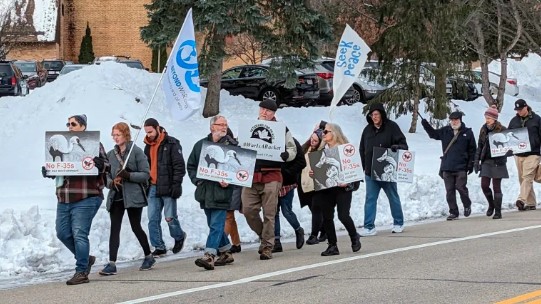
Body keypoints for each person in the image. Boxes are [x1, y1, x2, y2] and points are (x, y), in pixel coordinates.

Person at [41, 114, 108, 285]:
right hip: (64, 196)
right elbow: (60, 166)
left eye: (73, 124)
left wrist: (101, 164)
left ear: (83, 127)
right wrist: (50, 170)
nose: (69, 126)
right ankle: (86, 258)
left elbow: (108, 165)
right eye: (68, 124)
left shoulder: (93, 144)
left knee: (79, 233)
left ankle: (81, 271)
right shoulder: (59, 143)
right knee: (62, 233)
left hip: (86, 195)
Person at [242, 99, 297, 260]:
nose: (264, 113)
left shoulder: (281, 129)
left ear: (274, 113)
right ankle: (264, 236)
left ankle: (267, 246)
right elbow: (240, 144)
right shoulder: (249, 127)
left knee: (269, 213)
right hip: (252, 175)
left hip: (272, 174)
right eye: (262, 109)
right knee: (248, 210)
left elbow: (292, 148)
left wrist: (287, 155)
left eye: (268, 111)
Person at [99, 122, 155, 275]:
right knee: (114, 228)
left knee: (135, 226)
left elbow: (145, 174)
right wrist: (112, 182)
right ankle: (112, 263)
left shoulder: (136, 152)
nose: (115, 138)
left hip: (133, 195)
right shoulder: (111, 154)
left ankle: (148, 255)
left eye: (118, 135)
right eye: (113, 135)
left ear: (126, 134)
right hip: (117, 195)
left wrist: (129, 175)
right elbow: (106, 175)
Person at [187, 115, 236, 270]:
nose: (224, 127)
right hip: (205, 192)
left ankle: (209, 256)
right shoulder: (200, 145)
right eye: (221, 124)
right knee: (213, 224)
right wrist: (198, 181)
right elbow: (191, 166)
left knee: (216, 224)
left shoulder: (232, 147)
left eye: (226, 125)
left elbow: (240, 170)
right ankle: (226, 251)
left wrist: (229, 180)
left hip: (222, 194)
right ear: (212, 127)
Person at [310, 123, 361, 256]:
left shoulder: (345, 150)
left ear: (335, 133)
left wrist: (348, 182)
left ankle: (354, 236)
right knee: (327, 216)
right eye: (323, 131)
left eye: (326, 131)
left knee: (343, 215)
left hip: (342, 188)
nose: (323, 134)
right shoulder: (321, 152)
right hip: (326, 187)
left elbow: (355, 171)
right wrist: (314, 173)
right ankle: (332, 245)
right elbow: (319, 169)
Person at [360, 103, 408, 236]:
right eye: (372, 115)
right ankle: (369, 226)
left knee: (393, 197)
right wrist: (364, 166)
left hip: (387, 171)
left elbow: (404, 145)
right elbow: (362, 149)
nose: (374, 117)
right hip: (371, 171)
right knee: (370, 198)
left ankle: (398, 223)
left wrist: (396, 147)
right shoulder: (367, 130)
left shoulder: (392, 127)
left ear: (382, 114)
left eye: (376, 114)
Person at [143, 118, 187, 257]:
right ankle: (159, 246)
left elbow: (179, 166)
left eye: (150, 131)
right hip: (153, 187)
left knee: (170, 218)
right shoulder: (147, 146)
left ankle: (179, 236)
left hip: (168, 186)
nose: (148, 134)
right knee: (152, 219)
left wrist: (176, 185)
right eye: (146, 132)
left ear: (157, 128)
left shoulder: (172, 143)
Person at [421, 111, 476, 221]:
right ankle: (453, 212)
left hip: (461, 166)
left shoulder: (467, 133)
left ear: (460, 120)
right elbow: (433, 134)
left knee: (461, 188)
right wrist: (425, 124)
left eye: (456, 120)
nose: (454, 122)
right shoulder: (445, 131)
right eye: (452, 120)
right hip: (447, 166)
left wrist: (470, 165)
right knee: (449, 191)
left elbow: (472, 150)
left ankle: (467, 204)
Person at [474, 106, 512, 220]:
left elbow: (510, 146)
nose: (487, 120)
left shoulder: (502, 129)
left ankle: (498, 211)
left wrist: (506, 153)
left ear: (495, 119)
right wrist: (477, 161)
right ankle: (491, 204)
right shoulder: (483, 129)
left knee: (496, 186)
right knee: (484, 185)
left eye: (489, 118)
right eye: (486, 117)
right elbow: (479, 146)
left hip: (498, 161)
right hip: (486, 160)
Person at [273, 136, 306, 253]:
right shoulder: (268, 142)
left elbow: (302, 162)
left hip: (287, 182)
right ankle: (276, 241)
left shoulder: (291, 142)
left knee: (286, 210)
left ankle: (298, 229)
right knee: (273, 212)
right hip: (272, 181)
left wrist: (287, 172)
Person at [508, 99, 541, 211]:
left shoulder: (537, 120)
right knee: (523, 179)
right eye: (517, 110)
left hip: (533, 153)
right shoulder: (514, 121)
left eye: (521, 109)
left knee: (527, 176)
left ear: (526, 107)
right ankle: (531, 203)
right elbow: (509, 136)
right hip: (519, 154)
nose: (519, 112)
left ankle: (521, 200)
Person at [298, 128, 326, 245]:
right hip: (306, 185)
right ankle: (324, 231)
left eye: (315, 140)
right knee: (313, 208)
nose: (312, 142)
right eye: (311, 139)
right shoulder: (305, 149)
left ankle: (314, 235)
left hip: (318, 184)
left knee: (316, 208)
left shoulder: (322, 151)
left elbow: (322, 143)